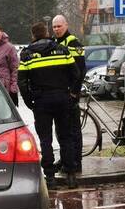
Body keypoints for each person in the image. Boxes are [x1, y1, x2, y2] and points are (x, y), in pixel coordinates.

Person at [19, 21, 81, 189]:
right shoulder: (62, 50)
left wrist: (29, 101)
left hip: (41, 102)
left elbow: (22, 82)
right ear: (46, 32)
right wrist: (71, 93)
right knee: (66, 137)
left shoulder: (27, 54)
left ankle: (50, 178)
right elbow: (75, 74)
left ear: (33, 35)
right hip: (62, 98)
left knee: (45, 140)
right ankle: (71, 175)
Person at [52, 15, 85, 174]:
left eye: (59, 26)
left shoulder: (73, 43)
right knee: (61, 130)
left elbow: (80, 71)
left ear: (66, 25)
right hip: (59, 94)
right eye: (54, 27)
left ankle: (76, 162)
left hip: (70, 94)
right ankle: (66, 158)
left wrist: (74, 93)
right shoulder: (54, 43)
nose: (57, 29)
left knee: (73, 131)